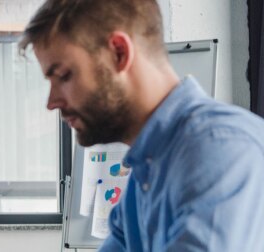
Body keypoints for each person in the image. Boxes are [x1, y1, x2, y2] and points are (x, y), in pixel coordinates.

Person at [21, 0, 264, 251]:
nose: (51, 102)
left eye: (64, 76)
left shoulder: (219, 151)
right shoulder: (145, 172)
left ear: (119, 53)